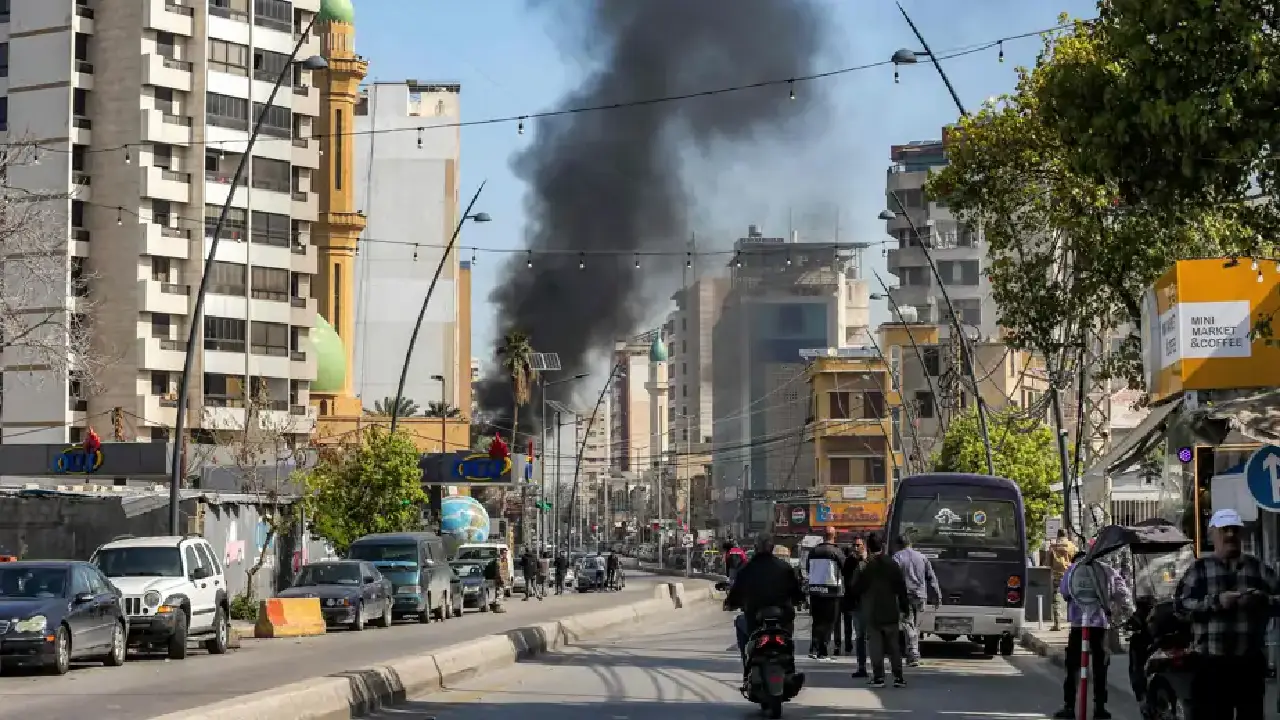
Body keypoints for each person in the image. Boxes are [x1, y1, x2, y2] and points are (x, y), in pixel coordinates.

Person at [1176, 508, 1278, 720]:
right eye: (1224, 530)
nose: (1230, 535)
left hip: (1249, 664)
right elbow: (1181, 607)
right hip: (1211, 664)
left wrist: (1262, 601)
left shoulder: (1258, 569)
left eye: (1234, 530)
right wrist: (1215, 602)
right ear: (1213, 535)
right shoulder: (1199, 569)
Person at [1052, 549, 1131, 720]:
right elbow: (1122, 592)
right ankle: (1100, 708)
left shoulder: (1072, 571)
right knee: (1100, 668)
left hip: (1078, 626)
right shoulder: (1106, 569)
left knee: (1073, 667)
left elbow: (1065, 593)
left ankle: (1069, 707)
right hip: (1099, 626)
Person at [725, 534, 806, 680]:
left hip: (756, 619)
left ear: (755, 549)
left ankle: (747, 668)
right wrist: (799, 600)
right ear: (772, 548)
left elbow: (736, 594)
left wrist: (730, 603)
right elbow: (797, 594)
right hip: (783, 618)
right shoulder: (785, 568)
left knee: (740, 622)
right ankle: (790, 670)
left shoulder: (747, 569)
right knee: (788, 640)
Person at [848, 533, 909, 688]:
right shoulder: (892, 564)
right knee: (894, 647)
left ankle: (879, 677)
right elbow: (901, 588)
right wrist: (905, 608)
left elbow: (855, 588)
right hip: (890, 611)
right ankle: (898, 677)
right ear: (882, 545)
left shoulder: (867, 565)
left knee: (876, 646)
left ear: (868, 546)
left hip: (872, 612)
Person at [893, 532, 941, 667]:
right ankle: (913, 653)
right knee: (915, 625)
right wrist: (937, 595)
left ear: (899, 545)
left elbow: (893, 577)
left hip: (905, 596)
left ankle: (913, 654)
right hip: (920, 596)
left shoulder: (897, 557)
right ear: (911, 544)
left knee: (908, 624)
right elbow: (931, 577)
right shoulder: (922, 557)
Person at [805, 527, 845, 660]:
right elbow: (845, 568)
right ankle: (823, 651)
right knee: (829, 622)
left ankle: (814, 648)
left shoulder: (813, 551)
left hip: (815, 590)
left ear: (823, 535)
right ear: (834, 535)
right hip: (831, 591)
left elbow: (808, 569)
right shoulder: (836, 551)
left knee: (817, 621)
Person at [835, 535, 870, 675]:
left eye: (859, 545)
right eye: (854, 545)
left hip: (871, 603)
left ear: (865, 546)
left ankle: (878, 668)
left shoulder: (871, 561)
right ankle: (861, 667)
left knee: (872, 636)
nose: (856, 548)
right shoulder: (849, 561)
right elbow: (847, 581)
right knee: (860, 635)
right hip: (856, 604)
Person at [1048, 528, 1077, 632]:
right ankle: (1074, 623)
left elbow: (1049, 562)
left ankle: (1057, 624)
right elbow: (1076, 560)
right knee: (1073, 598)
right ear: (1066, 535)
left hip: (1057, 576)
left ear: (1058, 535)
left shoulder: (1053, 546)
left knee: (1056, 600)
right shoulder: (1072, 546)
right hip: (1070, 575)